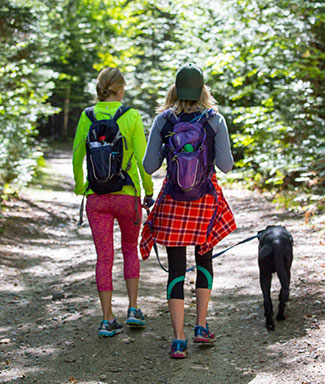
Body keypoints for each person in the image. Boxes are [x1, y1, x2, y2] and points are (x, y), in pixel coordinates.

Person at [140, 63, 236, 358]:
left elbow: (149, 166)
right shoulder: (214, 120)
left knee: (176, 270)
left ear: (176, 90)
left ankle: (178, 339)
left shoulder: (164, 120)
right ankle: (201, 327)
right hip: (206, 201)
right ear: (203, 90)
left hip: (173, 201)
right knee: (204, 261)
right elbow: (226, 166)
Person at [72, 67, 154, 337]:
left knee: (104, 257)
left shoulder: (86, 116)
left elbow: (76, 155)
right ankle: (133, 308)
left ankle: (107, 319)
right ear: (121, 89)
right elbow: (143, 159)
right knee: (130, 249)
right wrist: (149, 190)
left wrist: (80, 185)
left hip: (96, 197)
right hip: (127, 196)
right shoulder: (130, 116)